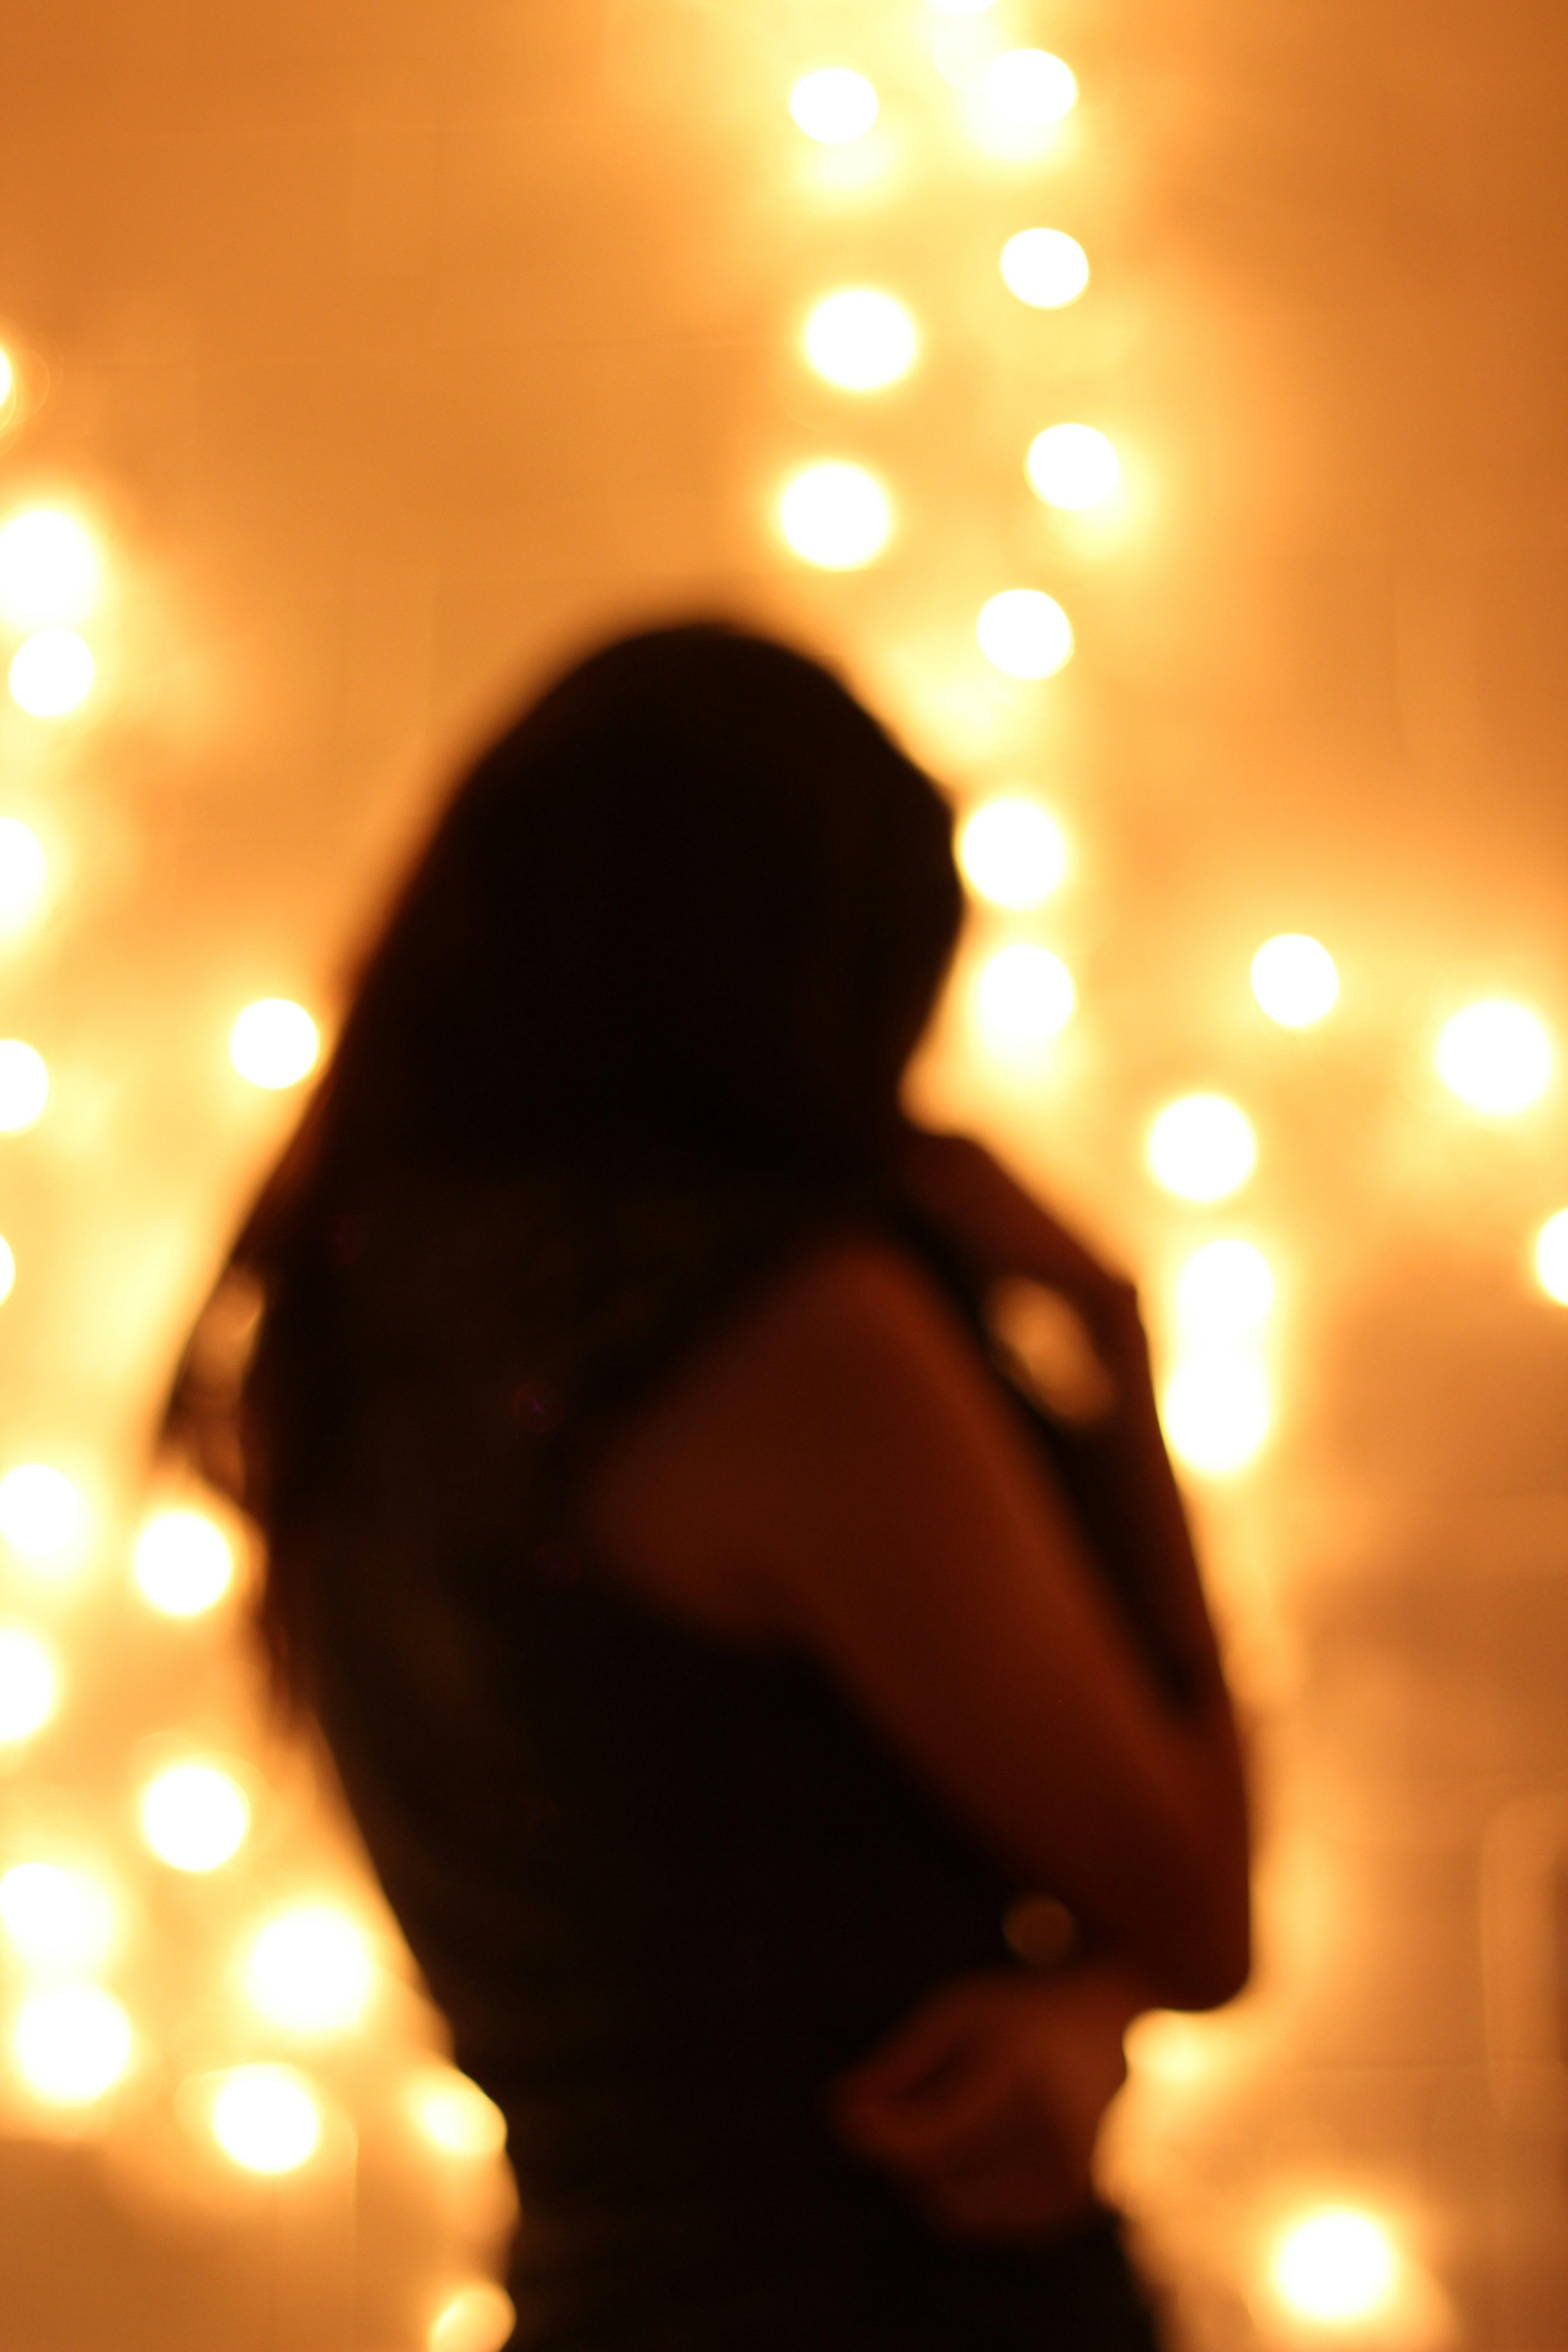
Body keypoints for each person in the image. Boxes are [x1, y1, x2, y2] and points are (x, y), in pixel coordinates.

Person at [166, 622, 1250, 2351]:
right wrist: (1115, 1365)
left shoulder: (336, 1334)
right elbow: (1200, 1905)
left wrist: (1083, 1999)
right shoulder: (788, 1342)